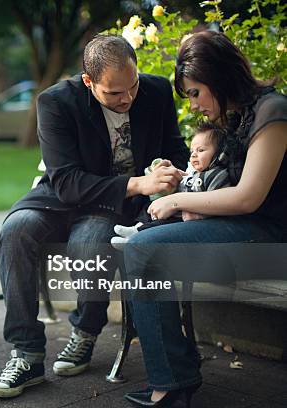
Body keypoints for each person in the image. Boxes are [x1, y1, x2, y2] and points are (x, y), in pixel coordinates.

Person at [0, 34, 190, 398]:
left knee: (90, 243)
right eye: (114, 93)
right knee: (15, 231)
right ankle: (27, 355)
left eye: (133, 86)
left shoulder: (156, 92)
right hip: (59, 196)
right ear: (88, 81)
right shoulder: (55, 102)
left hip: (109, 205)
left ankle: (84, 333)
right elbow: (65, 181)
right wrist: (139, 184)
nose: (126, 99)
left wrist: (172, 169)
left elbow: (175, 148)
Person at [122, 30, 287, 407]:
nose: (193, 105)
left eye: (195, 92)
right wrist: (183, 183)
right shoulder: (240, 116)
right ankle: (175, 374)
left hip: (272, 235)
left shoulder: (272, 112)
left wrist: (178, 201)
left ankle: (172, 382)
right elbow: (223, 186)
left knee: (144, 251)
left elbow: (248, 197)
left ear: (217, 78)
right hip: (247, 228)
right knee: (143, 243)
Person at [111, 121, 230, 247]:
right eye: (192, 151)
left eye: (200, 150)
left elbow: (217, 202)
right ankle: (136, 228)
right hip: (176, 209)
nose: (194, 154)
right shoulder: (192, 173)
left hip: (185, 215)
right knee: (149, 208)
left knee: (163, 223)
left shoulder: (216, 175)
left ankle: (133, 238)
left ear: (219, 154)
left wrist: (199, 214)